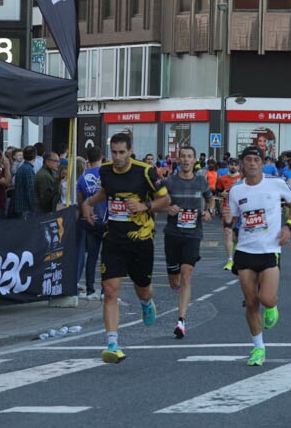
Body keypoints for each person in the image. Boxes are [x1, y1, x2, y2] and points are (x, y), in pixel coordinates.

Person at [81, 132, 170, 364]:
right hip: (113, 239)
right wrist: (88, 203)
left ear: (130, 151)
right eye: (114, 152)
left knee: (143, 288)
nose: (118, 157)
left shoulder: (146, 171)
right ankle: (112, 343)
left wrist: (144, 205)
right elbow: (105, 192)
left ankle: (145, 303)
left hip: (141, 241)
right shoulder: (106, 171)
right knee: (110, 291)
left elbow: (166, 200)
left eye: (122, 152)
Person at [222, 145, 291, 366]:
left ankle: (272, 306)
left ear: (262, 162)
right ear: (242, 164)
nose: (252, 164)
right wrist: (227, 217)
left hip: (269, 250)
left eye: (256, 160)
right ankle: (258, 348)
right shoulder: (236, 190)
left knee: (266, 298)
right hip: (246, 250)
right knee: (250, 302)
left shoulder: (275, 183)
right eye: (248, 160)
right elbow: (233, 221)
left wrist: (289, 226)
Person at [162, 145, 214, 339]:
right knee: (174, 280)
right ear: (178, 159)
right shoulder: (169, 182)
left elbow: (210, 200)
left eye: (189, 157)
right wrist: (167, 208)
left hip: (193, 234)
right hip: (172, 233)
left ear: (194, 160)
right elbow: (157, 202)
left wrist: (209, 211)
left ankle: (181, 320)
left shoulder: (201, 181)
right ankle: (179, 290)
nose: (185, 160)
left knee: (186, 275)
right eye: (183, 157)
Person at [76, 147, 106, 297]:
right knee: (106, 257)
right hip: (107, 220)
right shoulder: (106, 174)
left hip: (90, 220)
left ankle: (90, 289)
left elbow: (80, 202)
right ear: (101, 157)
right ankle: (105, 290)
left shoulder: (82, 178)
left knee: (92, 257)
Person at [217, 158, 242, 271]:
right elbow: (217, 192)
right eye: (231, 165)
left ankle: (239, 252)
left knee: (237, 236)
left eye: (235, 165)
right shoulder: (222, 179)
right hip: (227, 210)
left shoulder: (242, 179)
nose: (233, 167)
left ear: (238, 167)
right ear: (228, 166)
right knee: (228, 233)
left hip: (241, 211)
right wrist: (221, 194)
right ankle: (230, 260)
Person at [9, 145, 37, 218]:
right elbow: (30, 190)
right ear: (35, 156)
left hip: (20, 206)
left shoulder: (21, 168)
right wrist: (33, 207)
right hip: (26, 208)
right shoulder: (28, 170)